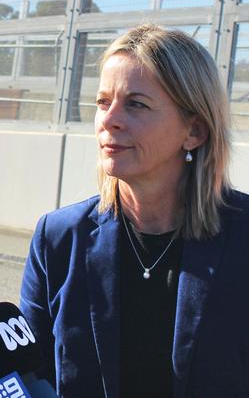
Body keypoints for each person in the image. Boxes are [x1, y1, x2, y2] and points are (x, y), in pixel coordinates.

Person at [20, 24, 249, 397]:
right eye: (102, 102)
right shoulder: (59, 238)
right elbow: (31, 377)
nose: (110, 119)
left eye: (136, 104)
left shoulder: (242, 237)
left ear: (194, 131)